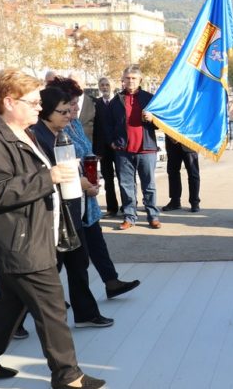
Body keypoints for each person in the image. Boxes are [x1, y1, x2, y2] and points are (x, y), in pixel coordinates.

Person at [0, 69, 105, 389]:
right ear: (9, 101)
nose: (39, 108)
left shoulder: (22, 132)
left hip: (29, 232)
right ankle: (68, 374)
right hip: (20, 239)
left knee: (11, 301)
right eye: (32, 102)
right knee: (52, 306)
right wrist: (49, 178)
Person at [30, 87, 114, 329]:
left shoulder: (61, 132)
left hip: (72, 210)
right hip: (52, 214)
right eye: (63, 111)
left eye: (70, 110)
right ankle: (14, 320)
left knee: (79, 264)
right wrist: (80, 182)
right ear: (46, 112)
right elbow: (43, 177)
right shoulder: (38, 138)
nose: (69, 115)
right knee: (42, 273)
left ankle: (86, 312)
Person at [52, 77, 141, 299]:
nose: (74, 108)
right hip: (69, 199)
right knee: (60, 258)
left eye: (75, 103)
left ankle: (111, 282)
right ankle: (37, 304)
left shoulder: (75, 124)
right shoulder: (54, 131)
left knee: (95, 242)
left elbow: (86, 152)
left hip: (86, 195)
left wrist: (93, 177)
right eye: (70, 104)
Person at [105, 65, 160, 229]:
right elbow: (107, 124)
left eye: (134, 78)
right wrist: (112, 142)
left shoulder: (150, 98)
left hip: (146, 149)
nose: (130, 81)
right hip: (123, 150)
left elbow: (161, 122)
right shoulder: (116, 101)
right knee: (126, 185)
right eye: (127, 78)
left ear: (140, 80)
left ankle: (153, 216)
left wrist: (153, 119)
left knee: (149, 185)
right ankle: (129, 216)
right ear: (123, 80)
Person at [92, 76, 119, 216]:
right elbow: (95, 128)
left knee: (124, 179)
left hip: (119, 148)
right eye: (102, 85)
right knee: (108, 180)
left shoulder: (119, 101)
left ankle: (129, 207)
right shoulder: (96, 104)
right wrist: (97, 150)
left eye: (107, 84)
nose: (104, 87)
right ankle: (112, 207)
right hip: (104, 149)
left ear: (112, 85)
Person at [161, 135, 200, 212]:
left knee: (193, 174)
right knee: (172, 172)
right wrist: (170, 136)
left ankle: (195, 202)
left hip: (189, 142)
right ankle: (175, 201)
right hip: (172, 143)